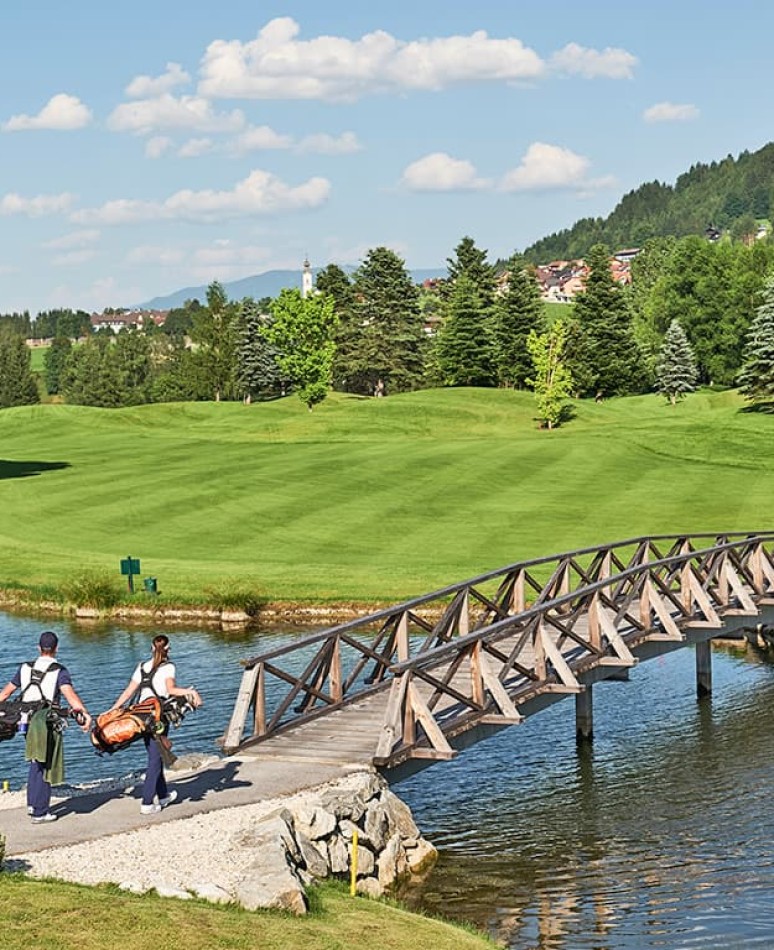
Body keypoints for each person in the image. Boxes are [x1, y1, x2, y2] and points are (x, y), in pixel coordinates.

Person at [0, 630, 91, 823]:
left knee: (35, 759)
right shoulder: (59, 670)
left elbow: (5, 693)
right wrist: (84, 714)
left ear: (39, 648)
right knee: (45, 762)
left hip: (24, 719)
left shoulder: (25, 667)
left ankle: (34, 804)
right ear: (56, 648)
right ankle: (40, 812)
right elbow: (70, 695)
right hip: (44, 721)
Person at [110, 634, 201, 815]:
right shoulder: (168, 668)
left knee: (156, 753)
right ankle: (147, 802)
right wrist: (191, 692)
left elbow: (128, 692)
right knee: (155, 758)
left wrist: (112, 709)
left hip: (140, 718)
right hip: (158, 718)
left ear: (152, 648)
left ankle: (164, 795)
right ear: (168, 649)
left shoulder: (142, 667)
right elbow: (171, 690)